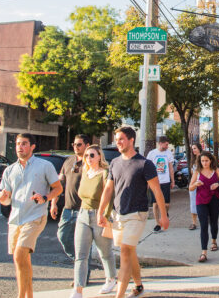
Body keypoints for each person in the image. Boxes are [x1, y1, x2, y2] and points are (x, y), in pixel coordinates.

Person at [97, 127, 169, 298]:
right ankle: (138, 285)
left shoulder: (144, 164)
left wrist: (163, 216)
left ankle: (119, 295)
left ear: (131, 140)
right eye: (116, 139)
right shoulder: (114, 163)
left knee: (124, 252)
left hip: (137, 215)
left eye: (121, 139)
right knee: (129, 251)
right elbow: (108, 189)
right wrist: (101, 212)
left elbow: (157, 191)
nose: (118, 142)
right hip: (118, 215)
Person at [0, 133, 63, 298]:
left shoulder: (44, 166)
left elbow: (58, 188)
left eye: (24, 143)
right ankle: (29, 295)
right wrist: (3, 199)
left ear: (32, 146)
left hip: (35, 216)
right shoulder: (9, 170)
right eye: (18, 144)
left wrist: (45, 198)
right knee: (21, 260)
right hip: (15, 219)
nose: (20, 147)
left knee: (20, 254)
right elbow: (6, 199)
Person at [70, 145, 116, 298]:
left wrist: (105, 215)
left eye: (91, 155)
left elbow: (109, 196)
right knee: (81, 255)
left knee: (105, 251)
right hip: (82, 214)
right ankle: (78, 289)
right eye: (87, 156)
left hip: (99, 214)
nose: (88, 158)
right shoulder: (85, 172)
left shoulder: (104, 173)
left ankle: (110, 279)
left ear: (99, 156)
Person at [51, 135, 91, 263]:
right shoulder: (68, 161)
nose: (75, 147)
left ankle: (83, 273)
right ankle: (79, 261)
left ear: (87, 146)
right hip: (68, 209)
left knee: (84, 244)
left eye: (79, 144)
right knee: (62, 236)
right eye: (74, 144)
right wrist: (54, 203)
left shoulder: (90, 162)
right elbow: (59, 184)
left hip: (84, 210)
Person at [188, 151, 219, 263]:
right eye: (202, 161)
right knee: (204, 225)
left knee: (214, 222)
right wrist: (196, 184)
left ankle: (214, 241)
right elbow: (190, 187)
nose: (204, 163)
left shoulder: (216, 171)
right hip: (201, 200)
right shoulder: (197, 172)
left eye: (206, 161)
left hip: (215, 199)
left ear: (211, 161)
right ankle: (203, 252)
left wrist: (218, 184)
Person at [146, 135, 175, 233]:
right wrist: (148, 182)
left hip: (165, 181)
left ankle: (165, 214)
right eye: (166, 144)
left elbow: (171, 168)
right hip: (155, 182)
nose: (167, 146)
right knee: (155, 204)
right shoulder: (152, 153)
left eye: (168, 144)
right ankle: (157, 223)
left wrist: (173, 180)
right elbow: (148, 169)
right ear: (160, 143)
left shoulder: (168, 154)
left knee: (166, 204)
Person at [188, 142, 202, 230]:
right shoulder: (193, 160)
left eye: (195, 148)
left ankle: (204, 219)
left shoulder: (203, 158)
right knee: (193, 203)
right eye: (192, 149)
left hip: (202, 184)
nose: (193, 150)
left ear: (199, 148)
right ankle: (193, 223)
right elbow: (192, 172)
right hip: (194, 184)